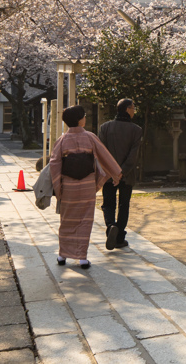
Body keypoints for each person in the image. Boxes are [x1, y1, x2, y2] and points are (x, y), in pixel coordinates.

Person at [49, 105, 121, 269]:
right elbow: (104, 155)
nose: (85, 118)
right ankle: (82, 258)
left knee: (66, 220)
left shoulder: (61, 140)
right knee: (84, 221)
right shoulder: (90, 137)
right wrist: (116, 173)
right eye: (84, 115)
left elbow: (55, 164)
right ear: (79, 120)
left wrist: (58, 187)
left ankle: (62, 255)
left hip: (68, 186)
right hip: (87, 185)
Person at [98, 98, 144, 250]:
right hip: (127, 175)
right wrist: (121, 172)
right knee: (124, 205)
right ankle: (119, 238)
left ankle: (111, 226)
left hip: (108, 174)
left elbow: (101, 152)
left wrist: (112, 171)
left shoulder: (104, 127)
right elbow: (133, 155)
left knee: (108, 204)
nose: (134, 111)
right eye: (133, 108)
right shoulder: (136, 130)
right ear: (127, 109)